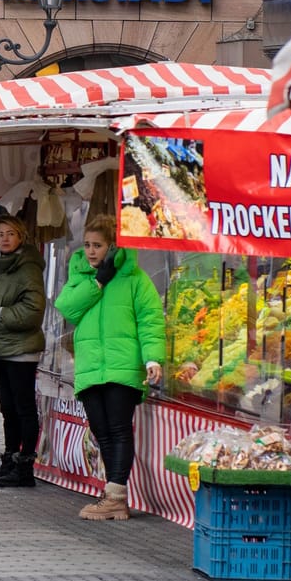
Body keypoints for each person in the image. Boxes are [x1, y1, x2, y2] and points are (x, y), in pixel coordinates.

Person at [54, 214, 165, 521]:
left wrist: (152, 358)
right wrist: (98, 281)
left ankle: (116, 495)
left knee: (118, 429)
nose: (90, 251)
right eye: (87, 245)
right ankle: (113, 494)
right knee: (101, 430)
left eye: (98, 246)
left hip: (122, 365)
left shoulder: (135, 279)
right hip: (90, 367)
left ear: (113, 247)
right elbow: (67, 306)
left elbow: (150, 320)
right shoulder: (81, 274)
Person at [0, 215, 48, 489]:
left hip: (21, 350)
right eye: (0, 234)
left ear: (21, 237)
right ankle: (9, 460)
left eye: (10, 234)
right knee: (8, 409)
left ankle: (24, 466)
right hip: (1, 348)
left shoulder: (27, 268)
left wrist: (2, 313)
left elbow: (33, 310)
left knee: (23, 408)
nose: (4, 238)